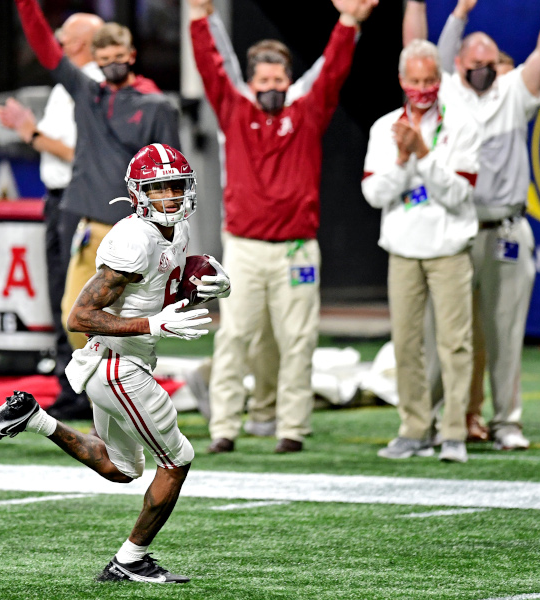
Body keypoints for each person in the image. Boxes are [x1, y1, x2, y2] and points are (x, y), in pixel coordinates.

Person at [0, 144, 229, 584]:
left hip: (120, 362)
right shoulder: (133, 238)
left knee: (123, 469)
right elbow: (79, 316)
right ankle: (130, 561)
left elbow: (153, 296)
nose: (169, 197)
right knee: (178, 458)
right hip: (117, 365)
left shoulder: (175, 231)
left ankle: (34, 419)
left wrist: (201, 289)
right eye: (158, 188)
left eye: (175, 186)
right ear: (137, 194)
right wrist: (153, 324)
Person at [189, 0, 378, 454]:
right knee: (235, 336)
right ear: (251, 84)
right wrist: (198, 18)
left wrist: (348, 22)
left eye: (279, 80)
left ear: (289, 82)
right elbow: (212, 65)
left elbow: (332, 70)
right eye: (265, 81)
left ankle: (291, 428)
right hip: (246, 247)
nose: (272, 87)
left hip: (296, 248)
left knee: (298, 339)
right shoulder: (233, 109)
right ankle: (225, 428)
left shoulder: (308, 112)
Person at [407, 0, 540, 450]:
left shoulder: (514, 93)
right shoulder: (446, 95)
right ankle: (433, 420)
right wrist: (445, 10)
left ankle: (507, 421)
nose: (484, 70)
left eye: (490, 64)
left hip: (506, 228)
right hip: (454, 229)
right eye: (475, 64)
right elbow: (419, 49)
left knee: (506, 332)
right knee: (442, 333)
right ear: (458, 65)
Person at [12, 0, 183, 356]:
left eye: (117, 55)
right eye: (103, 57)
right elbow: (46, 50)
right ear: (95, 58)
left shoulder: (156, 105)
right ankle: (94, 387)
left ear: (132, 54)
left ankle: (119, 388)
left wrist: (171, 238)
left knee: (132, 319)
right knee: (73, 317)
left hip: (136, 230)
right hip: (87, 222)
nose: (110, 63)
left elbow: (172, 177)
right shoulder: (89, 93)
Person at [362, 40, 481, 463]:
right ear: (401, 81)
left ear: (440, 79)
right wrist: (400, 158)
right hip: (403, 248)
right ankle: (414, 428)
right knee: (407, 343)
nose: (422, 88)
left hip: (449, 247)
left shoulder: (463, 124)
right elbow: (374, 193)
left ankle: (452, 432)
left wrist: (424, 155)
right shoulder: (384, 127)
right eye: (414, 81)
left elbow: (461, 193)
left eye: (430, 80)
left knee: (455, 343)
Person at [0, 12, 105, 421]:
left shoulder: (89, 85)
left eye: (64, 34)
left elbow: (79, 154)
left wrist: (30, 132)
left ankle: (85, 389)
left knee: (75, 298)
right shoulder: (71, 81)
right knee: (63, 296)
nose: (56, 39)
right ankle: (72, 386)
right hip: (58, 199)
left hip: (77, 201)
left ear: (80, 42)